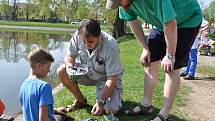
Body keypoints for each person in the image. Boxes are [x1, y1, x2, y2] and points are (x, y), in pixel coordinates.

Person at [106, 0, 202, 121]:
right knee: (149, 61)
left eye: (119, 1)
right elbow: (134, 23)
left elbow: (170, 23)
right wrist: (145, 48)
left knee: (171, 68)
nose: (120, 5)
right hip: (162, 23)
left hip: (187, 21)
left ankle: (164, 114)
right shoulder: (123, 4)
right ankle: (146, 105)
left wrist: (170, 55)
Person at [57, 19, 123, 116]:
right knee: (62, 71)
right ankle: (81, 100)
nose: (87, 44)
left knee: (110, 110)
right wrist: (69, 66)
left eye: (91, 41)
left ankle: (108, 98)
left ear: (99, 35)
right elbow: (70, 56)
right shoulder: (77, 36)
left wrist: (101, 102)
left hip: (105, 79)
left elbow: (112, 78)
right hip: (86, 73)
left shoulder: (111, 45)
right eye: (84, 41)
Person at [19, 48, 67, 121]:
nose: (49, 70)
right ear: (38, 66)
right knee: (61, 117)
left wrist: (55, 111)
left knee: (59, 114)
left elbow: (33, 109)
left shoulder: (23, 85)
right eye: (47, 67)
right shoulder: (44, 86)